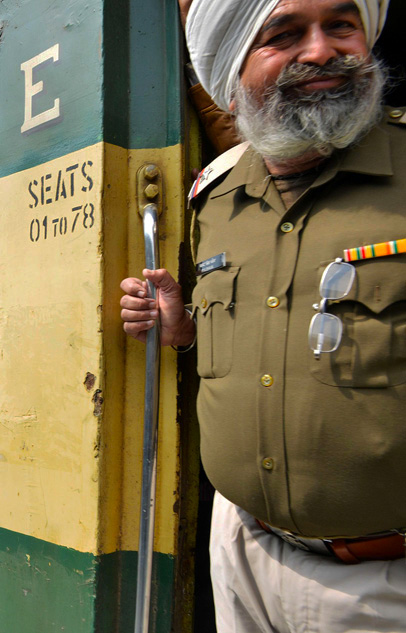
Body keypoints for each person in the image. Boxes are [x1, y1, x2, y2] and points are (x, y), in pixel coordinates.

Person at [121, 1, 405, 630]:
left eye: (341, 25)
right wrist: (187, 331)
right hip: (240, 549)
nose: (321, 50)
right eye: (283, 35)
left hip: (380, 585)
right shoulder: (214, 197)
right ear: (230, 66)